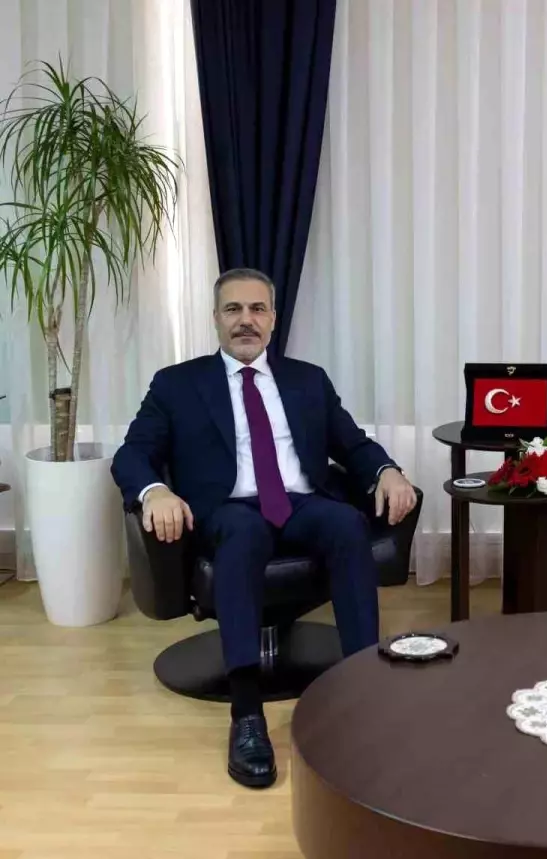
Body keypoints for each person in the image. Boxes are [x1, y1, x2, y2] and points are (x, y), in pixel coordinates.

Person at [112, 268, 417, 788]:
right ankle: (247, 713)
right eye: (233, 309)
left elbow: (352, 444)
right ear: (215, 319)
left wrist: (386, 470)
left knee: (345, 522)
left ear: (273, 318)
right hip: (226, 509)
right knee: (245, 533)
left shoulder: (307, 380)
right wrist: (154, 491)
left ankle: (362, 689)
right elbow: (132, 454)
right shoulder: (177, 384)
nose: (246, 320)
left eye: (257, 309)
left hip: (300, 503)